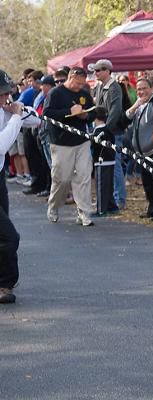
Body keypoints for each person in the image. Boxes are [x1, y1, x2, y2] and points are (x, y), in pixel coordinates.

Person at [0, 69, 40, 303]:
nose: (7, 97)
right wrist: (15, 117)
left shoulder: (6, 108)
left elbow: (36, 118)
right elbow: (2, 145)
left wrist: (17, 111)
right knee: (9, 237)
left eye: (8, 93)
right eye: (3, 93)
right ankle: (5, 284)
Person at [43, 67, 96, 226]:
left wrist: (85, 115)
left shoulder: (84, 94)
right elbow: (47, 113)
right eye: (77, 83)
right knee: (62, 178)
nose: (79, 87)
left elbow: (92, 114)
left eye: (82, 84)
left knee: (84, 176)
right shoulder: (56, 93)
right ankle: (54, 206)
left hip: (82, 141)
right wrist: (68, 111)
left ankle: (84, 212)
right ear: (70, 77)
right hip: (61, 142)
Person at [126, 78, 153, 220]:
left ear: (151, 88)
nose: (141, 92)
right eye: (138, 89)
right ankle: (152, 208)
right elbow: (125, 118)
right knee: (148, 183)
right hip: (142, 152)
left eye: (144, 88)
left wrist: (151, 143)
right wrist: (135, 106)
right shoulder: (140, 104)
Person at [90, 59, 126, 210]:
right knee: (105, 165)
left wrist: (106, 130)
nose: (96, 73)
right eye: (95, 70)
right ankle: (108, 197)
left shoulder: (114, 87)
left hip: (112, 133)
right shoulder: (99, 87)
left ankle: (120, 198)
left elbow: (115, 110)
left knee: (116, 165)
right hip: (102, 131)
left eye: (99, 70)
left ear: (107, 70)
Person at [91, 106, 119, 217]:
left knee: (101, 186)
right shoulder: (108, 130)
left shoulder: (99, 132)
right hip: (110, 161)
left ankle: (101, 209)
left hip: (101, 162)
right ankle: (112, 206)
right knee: (109, 186)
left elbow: (94, 146)